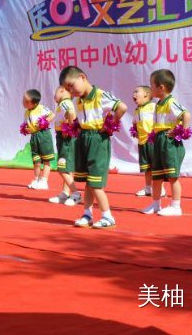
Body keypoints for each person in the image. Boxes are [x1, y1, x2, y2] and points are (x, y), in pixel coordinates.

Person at [59, 65, 126, 229]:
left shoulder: (100, 94)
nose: (71, 92)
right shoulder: (80, 100)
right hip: (84, 138)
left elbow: (122, 107)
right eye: (68, 89)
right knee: (88, 182)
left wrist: (111, 124)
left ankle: (108, 216)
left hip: (97, 140)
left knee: (96, 182)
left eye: (72, 86)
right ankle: (87, 214)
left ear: (82, 77)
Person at [143, 69, 191, 217]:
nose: (150, 88)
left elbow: (186, 115)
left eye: (152, 85)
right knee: (156, 175)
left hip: (168, 142)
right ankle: (156, 204)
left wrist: (181, 131)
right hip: (158, 139)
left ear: (161, 87)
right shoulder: (158, 103)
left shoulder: (171, 102)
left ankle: (176, 206)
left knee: (172, 175)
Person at [48, 86, 81, 206]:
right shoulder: (63, 104)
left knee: (62, 167)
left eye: (55, 92)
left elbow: (71, 113)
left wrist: (69, 127)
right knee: (67, 167)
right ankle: (65, 193)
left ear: (62, 90)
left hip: (65, 138)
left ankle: (76, 193)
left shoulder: (64, 103)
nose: (54, 96)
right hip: (63, 137)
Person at [22, 89, 56, 190]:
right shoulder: (26, 113)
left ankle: (44, 181)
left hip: (43, 135)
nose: (23, 102)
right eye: (23, 100)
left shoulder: (41, 108)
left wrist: (44, 122)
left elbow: (52, 115)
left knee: (46, 160)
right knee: (36, 161)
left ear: (35, 103)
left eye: (26, 101)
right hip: (34, 137)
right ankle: (36, 179)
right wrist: (26, 129)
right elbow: (26, 124)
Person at [131, 86, 158, 197]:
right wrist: (135, 131)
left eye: (137, 92)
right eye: (134, 91)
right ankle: (148, 188)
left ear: (146, 94)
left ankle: (159, 188)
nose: (134, 94)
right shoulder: (137, 110)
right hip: (142, 143)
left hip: (152, 142)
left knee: (156, 167)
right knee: (147, 168)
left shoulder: (153, 107)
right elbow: (134, 123)